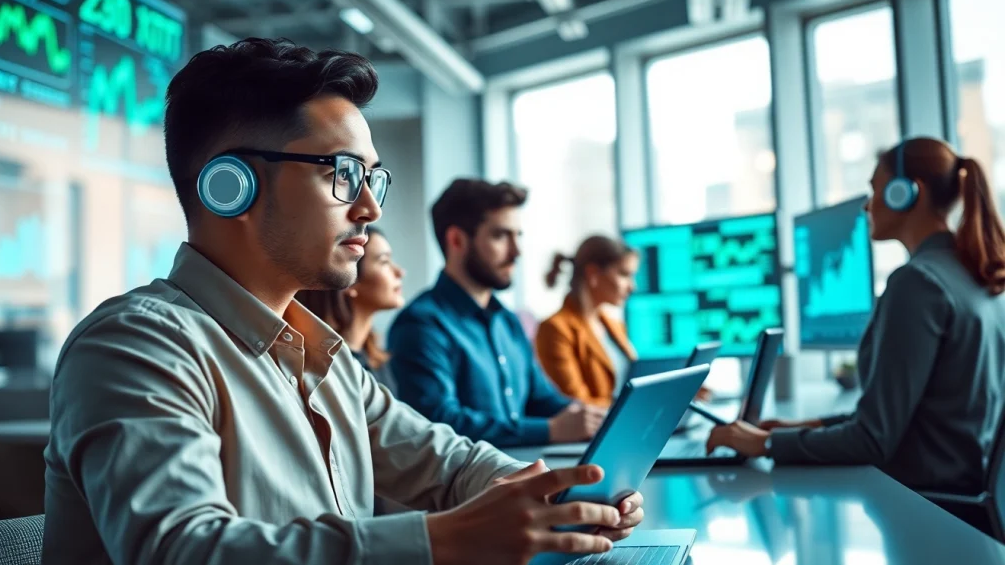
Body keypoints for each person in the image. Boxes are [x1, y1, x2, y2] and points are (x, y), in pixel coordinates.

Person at [41, 38, 643, 565]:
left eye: (372, 178)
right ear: (231, 186)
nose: (370, 208)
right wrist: (442, 541)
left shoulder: (322, 360)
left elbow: (451, 464)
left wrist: (561, 496)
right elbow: (182, 551)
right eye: (344, 173)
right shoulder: (135, 347)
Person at [707, 137, 1005, 494]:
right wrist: (806, 426)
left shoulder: (918, 283)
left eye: (876, 189)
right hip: (959, 495)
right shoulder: (973, 272)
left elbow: (872, 440)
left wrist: (764, 444)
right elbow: (900, 415)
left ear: (907, 192)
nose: (867, 205)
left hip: (925, 502)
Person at [388, 179, 607, 448]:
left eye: (518, 236)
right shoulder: (421, 324)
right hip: (472, 475)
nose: (517, 252)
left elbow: (541, 399)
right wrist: (549, 430)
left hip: (521, 466)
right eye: (501, 236)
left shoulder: (508, 321)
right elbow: (438, 421)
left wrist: (596, 418)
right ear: (457, 240)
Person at [534, 236, 639, 408]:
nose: (632, 287)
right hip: (604, 423)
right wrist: (635, 405)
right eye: (624, 274)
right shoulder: (554, 330)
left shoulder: (614, 325)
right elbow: (577, 405)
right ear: (593, 273)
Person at [296, 226, 402, 394]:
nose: (399, 272)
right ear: (350, 280)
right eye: (384, 261)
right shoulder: (330, 369)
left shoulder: (375, 357)